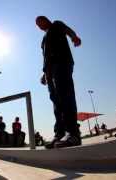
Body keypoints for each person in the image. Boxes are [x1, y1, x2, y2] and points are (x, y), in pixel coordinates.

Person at [36, 16, 82, 148]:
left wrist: (74, 37)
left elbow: (68, 30)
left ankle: (73, 133)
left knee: (65, 96)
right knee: (56, 102)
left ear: (46, 20)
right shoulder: (44, 40)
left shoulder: (56, 25)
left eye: (40, 22)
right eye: (37, 25)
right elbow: (45, 57)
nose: (39, 26)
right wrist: (44, 74)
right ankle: (60, 133)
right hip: (50, 72)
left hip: (62, 63)